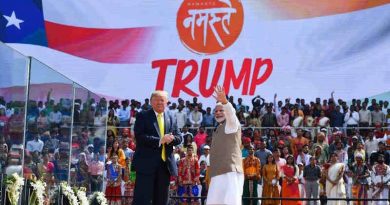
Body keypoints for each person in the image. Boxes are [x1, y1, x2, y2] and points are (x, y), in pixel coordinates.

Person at [132, 90, 182, 205]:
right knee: (142, 199)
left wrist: (172, 139)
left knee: (161, 200)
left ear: (167, 102)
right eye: (156, 100)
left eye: (162, 100)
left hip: (165, 166)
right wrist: (160, 140)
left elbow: (179, 137)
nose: (159, 102)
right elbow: (140, 137)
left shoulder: (171, 117)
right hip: (146, 165)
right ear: (151, 101)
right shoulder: (142, 115)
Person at [207, 86, 244, 205]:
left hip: (230, 172)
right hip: (217, 173)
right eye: (216, 111)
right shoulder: (218, 128)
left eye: (221, 110)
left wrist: (225, 102)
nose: (218, 113)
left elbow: (231, 115)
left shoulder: (231, 125)